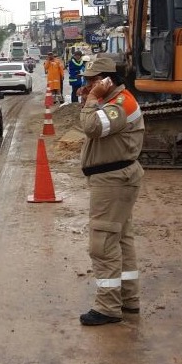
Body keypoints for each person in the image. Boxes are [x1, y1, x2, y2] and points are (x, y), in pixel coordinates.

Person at [75, 56, 145, 326]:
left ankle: (108, 307)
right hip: (116, 179)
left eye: (93, 80)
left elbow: (92, 127)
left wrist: (92, 100)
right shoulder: (114, 102)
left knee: (103, 243)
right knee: (121, 240)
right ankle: (128, 299)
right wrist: (91, 100)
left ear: (108, 80)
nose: (88, 85)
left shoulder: (120, 104)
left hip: (113, 181)